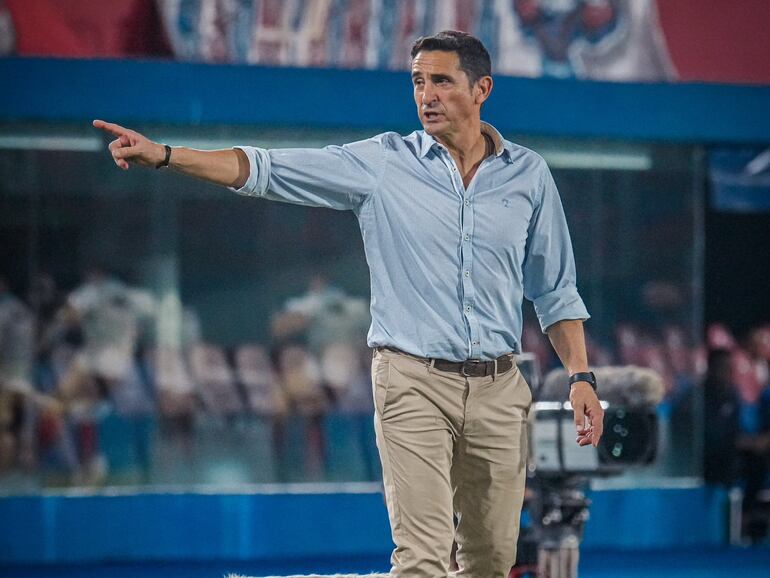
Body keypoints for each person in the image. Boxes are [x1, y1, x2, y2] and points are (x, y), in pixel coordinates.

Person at [93, 30, 603, 578]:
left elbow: (555, 291)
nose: (425, 95)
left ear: (481, 89)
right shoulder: (382, 163)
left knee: (491, 561)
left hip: (501, 390)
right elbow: (266, 169)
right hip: (412, 381)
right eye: (417, 82)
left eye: (441, 81)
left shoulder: (530, 175)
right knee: (423, 561)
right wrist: (167, 156)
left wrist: (581, 377)